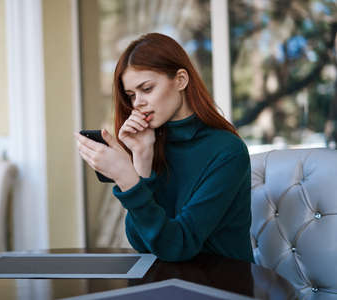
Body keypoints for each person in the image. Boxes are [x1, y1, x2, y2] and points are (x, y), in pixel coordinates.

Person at [75, 33, 254, 263]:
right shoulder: (152, 143)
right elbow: (141, 242)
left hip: (224, 285)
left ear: (180, 80)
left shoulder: (228, 151)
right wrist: (141, 158)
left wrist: (127, 179)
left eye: (147, 89)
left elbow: (178, 246)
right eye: (131, 95)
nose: (137, 102)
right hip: (169, 281)